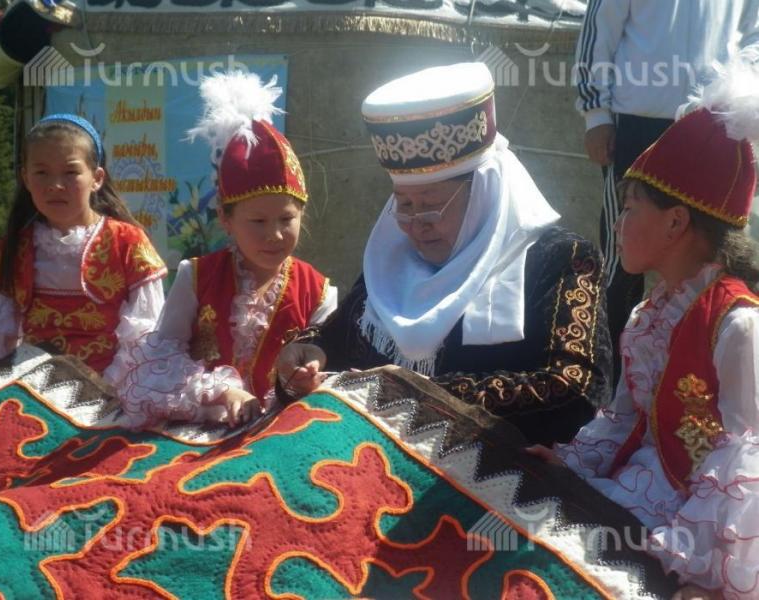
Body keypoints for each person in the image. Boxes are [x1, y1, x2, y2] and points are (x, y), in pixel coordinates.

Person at [275, 63, 613, 447]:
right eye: (404, 205)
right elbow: (337, 338)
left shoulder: (561, 260)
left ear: (483, 193)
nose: (416, 224)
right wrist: (307, 354)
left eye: (432, 205)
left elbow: (575, 390)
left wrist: (410, 394)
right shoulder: (392, 259)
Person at [529, 55, 759, 599]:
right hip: (636, 493)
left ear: (676, 221)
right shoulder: (648, 314)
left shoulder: (738, 327)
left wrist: (705, 575)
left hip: (693, 527)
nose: (619, 222)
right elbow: (626, 418)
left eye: (630, 208)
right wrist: (569, 467)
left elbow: (748, 463)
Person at [117, 72, 337, 429]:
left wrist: (307, 377)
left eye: (286, 219)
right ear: (226, 219)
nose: (274, 235)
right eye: (258, 221)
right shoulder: (196, 277)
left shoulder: (319, 291)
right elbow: (161, 358)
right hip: (200, 428)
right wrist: (221, 393)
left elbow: (330, 365)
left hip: (278, 435)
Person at [575, 0, 759, 373]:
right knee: (624, 258)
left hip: (715, 126)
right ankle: (608, 380)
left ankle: (708, 376)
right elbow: (600, 30)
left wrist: (737, 95)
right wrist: (596, 114)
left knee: (717, 251)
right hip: (639, 121)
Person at [0, 114, 167, 393]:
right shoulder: (14, 249)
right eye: (41, 173)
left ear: (97, 178)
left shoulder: (128, 242)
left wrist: (101, 393)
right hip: (34, 392)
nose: (55, 185)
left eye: (70, 172)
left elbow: (146, 337)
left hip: (114, 389)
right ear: (26, 178)